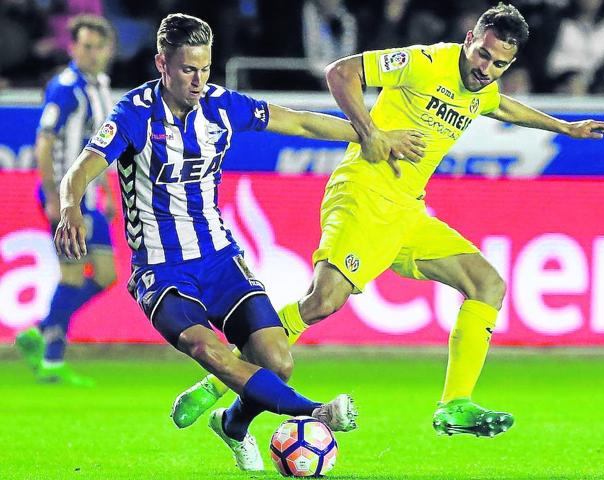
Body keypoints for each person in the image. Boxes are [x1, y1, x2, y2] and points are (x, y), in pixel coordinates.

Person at [173, 2, 604, 438]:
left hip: (407, 209)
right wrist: (371, 134)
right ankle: (217, 381)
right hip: (364, 191)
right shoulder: (424, 62)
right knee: (322, 302)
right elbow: (341, 72)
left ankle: (454, 405)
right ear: (469, 40)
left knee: (487, 286)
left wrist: (565, 127)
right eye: (483, 53)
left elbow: (500, 105)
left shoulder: (483, 85)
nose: (487, 67)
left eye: (500, 62)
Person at [53, 13, 423, 471]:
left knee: (277, 361)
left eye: (205, 68)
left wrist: (371, 134)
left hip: (221, 259)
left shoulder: (223, 106)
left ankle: (232, 425)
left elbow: (302, 123)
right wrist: (70, 206)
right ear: (162, 64)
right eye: (188, 69)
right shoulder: (134, 113)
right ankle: (316, 411)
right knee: (209, 350)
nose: (198, 79)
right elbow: (81, 169)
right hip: (161, 270)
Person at [15, 14, 117, 386]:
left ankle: (39, 330)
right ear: (73, 47)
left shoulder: (102, 86)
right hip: (66, 198)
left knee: (107, 275)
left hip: (89, 198)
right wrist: (56, 198)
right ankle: (53, 360)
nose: (91, 53)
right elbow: (45, 141)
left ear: (109, 50)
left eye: (98, 46)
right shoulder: (66, 86)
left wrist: (105, 190)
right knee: (73, 276)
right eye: (84, 46)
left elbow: (100, 147)